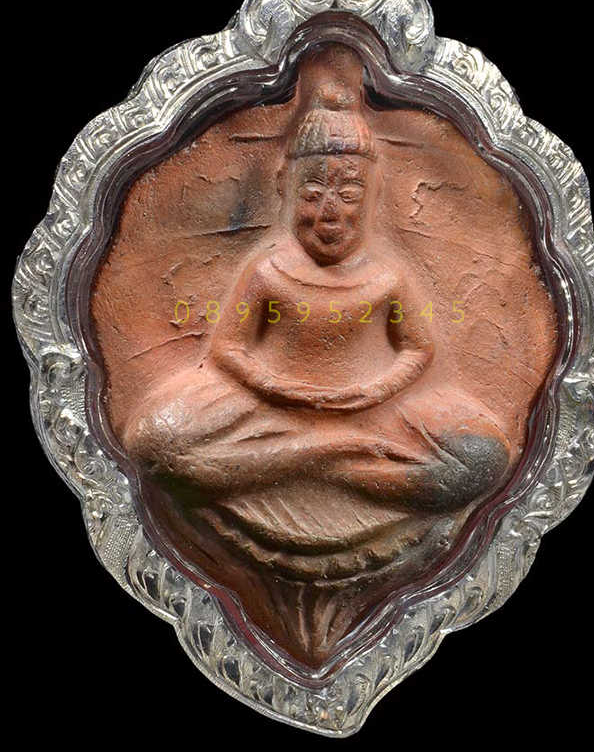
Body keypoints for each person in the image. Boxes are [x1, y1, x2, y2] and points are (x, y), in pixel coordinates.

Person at [123, 90, 512, 665]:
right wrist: (274, 387)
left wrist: (375, 390)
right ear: (286, 191)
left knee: (484, 457)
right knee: (153, 442)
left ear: (372, 196)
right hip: (269, 406)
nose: (330, 212)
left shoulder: (387, 275)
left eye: (348, 194)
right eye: (313, 194)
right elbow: (228, 347)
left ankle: (316, 457)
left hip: (370, 410)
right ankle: (328, 454)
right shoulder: (267, 270)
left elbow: (418, 349)